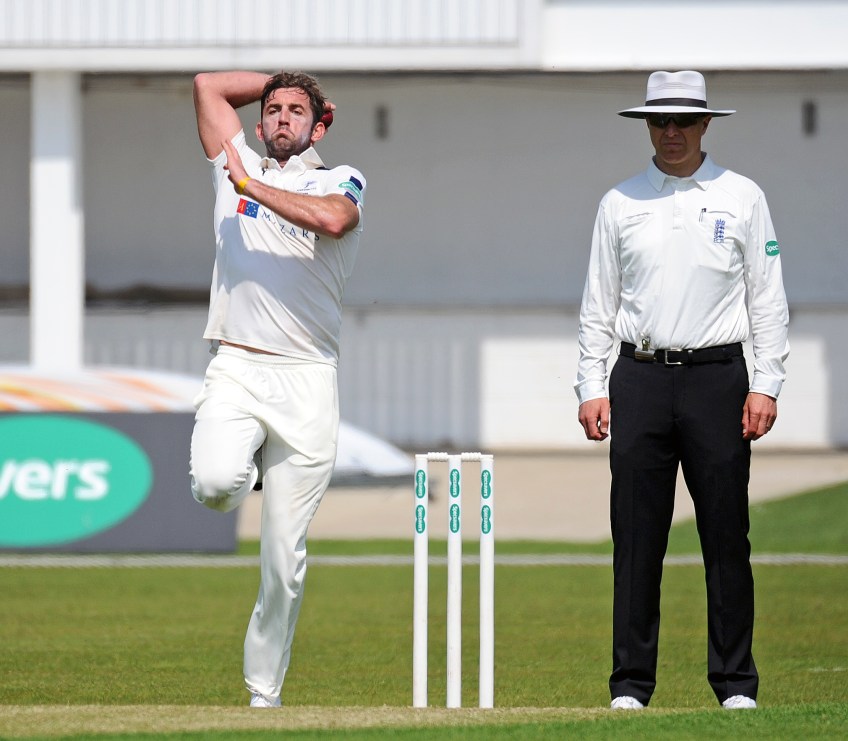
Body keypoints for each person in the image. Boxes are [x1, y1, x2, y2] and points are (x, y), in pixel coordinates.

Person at [574, 71, 789, 711]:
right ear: (647, 126)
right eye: (659, 121)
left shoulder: (742, 196)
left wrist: (767, 382)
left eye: (683, 121)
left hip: (718, 379)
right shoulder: (620, 202)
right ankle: (631, 685)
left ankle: (735, 684)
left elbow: (767, 297)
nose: (671, 133)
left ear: (705, 125)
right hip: (638, 377)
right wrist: (590, 384)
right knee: (637, 537)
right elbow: (598, 303)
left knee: (726, 535)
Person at [189, 70, 365, 708]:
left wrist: (250, 187)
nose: (282, 117)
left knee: (282, 558)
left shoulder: (339, 178)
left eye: (297, 110)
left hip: (307, 375)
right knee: (215, 485)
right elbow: (207, 86)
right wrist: (288, 79)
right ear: (260, 123)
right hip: (237, 364)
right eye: (273, 109)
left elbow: (335, 221)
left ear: (319, 126)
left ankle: (263, 693)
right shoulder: (232, 162)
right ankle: (254, 464)